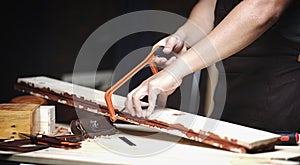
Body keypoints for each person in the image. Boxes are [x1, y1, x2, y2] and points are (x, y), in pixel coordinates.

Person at [124, 0, 300, 132]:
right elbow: (211, 5)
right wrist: (183, 37)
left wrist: (177, 70)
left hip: (282, 106)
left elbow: (262, 9)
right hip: (232, 102)